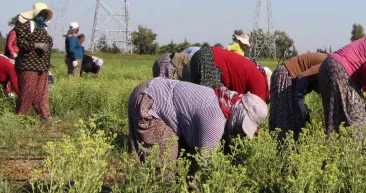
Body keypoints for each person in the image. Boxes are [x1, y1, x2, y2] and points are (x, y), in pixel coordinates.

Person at [128, 78, 268, 165]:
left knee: (168, 159)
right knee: (164, 166)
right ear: (241, 111)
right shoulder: (216, 119)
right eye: (242, 124)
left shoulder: (224, 100)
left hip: (149, 90)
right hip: (150, 100)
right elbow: (204, 162)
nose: (240, 131)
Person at [268, 52, 327, 142]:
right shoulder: (326, 64)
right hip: (286, 75)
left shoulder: (327, 62)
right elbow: (301, 78)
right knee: (286, 120)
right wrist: (302, 112)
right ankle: (284, 150)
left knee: (286, 120)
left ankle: (287, 148)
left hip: (286, 75)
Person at [13, 3, 54, 120]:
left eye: (44, 14)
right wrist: (36, 45)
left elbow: (48, 44)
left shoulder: (44, 28)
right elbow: (21, 43)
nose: (43, 17)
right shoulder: (27, 26)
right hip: (28, 65)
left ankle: (44, 116)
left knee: (42, 93)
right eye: (40, 14)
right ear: (35, 14)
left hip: (42, 66)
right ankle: (22, 118)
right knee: (27, 92)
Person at [189, 45, 270, 101]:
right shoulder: (262, 88)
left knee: (197, 98)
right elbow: (253, 113)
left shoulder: (257, 73)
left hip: (203, 55)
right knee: (212, 104)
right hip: (210, 58)